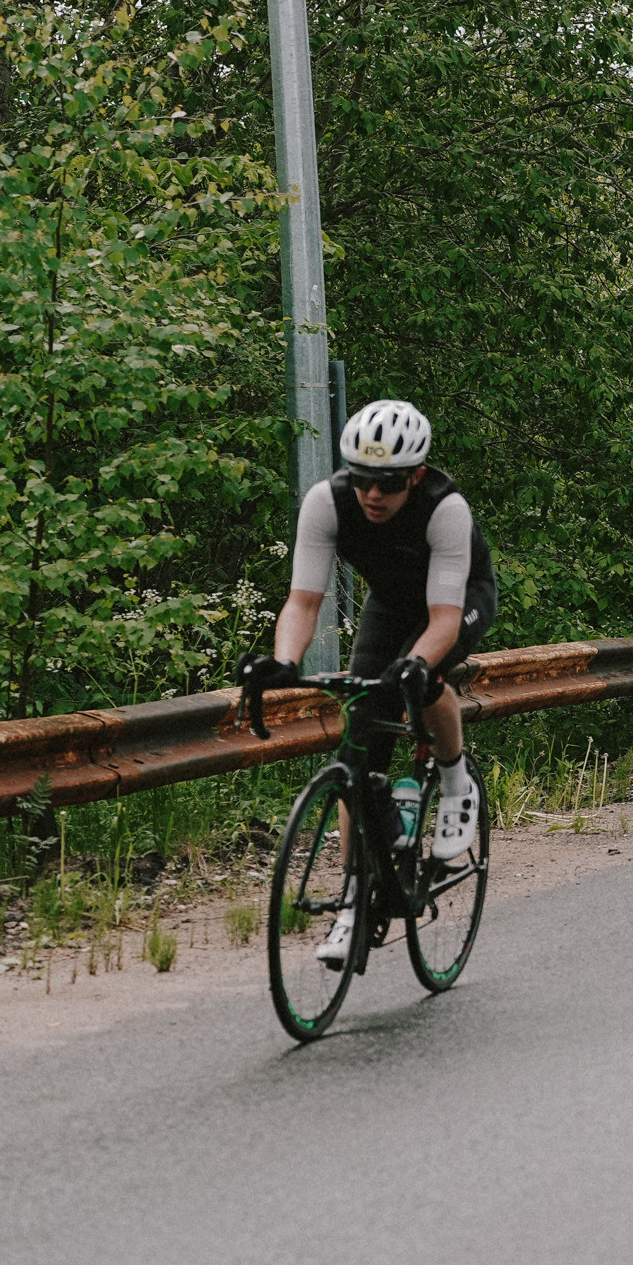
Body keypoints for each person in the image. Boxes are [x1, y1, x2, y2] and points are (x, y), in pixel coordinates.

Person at [246, 399, 495, 963]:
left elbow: (443, 622)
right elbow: (303, 601)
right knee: (358, 751)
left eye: (387, 483)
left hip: (459, 600)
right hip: (391, 602)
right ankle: (355, 900)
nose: (372, 496)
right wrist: (285, 662)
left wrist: (416, 665)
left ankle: (457, 784)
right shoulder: (326, 502)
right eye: (361, 479)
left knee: (419, 676)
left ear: (416, 475)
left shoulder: (444, 508)